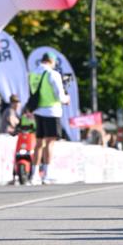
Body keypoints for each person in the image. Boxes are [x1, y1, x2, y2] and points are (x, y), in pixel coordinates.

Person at [27, 52, 69, 185]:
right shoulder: (53, 74)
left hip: (38, 111)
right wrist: (66, 99)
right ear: (51, 60)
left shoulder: (33, 74)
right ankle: (47, 174)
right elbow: (59, 95)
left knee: (39, 143)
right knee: (50, 143)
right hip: (52, 111)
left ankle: (34, 175)